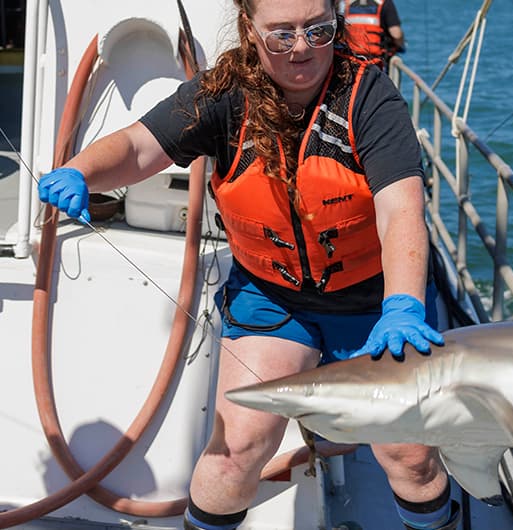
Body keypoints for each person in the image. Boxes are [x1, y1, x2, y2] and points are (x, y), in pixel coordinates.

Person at [36, 1, 459, 529]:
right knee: (236, 448)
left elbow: (401, 209)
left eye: (318, 29)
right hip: (272, 298)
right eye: (281, 34)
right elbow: (140, 145)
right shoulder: (223, 94)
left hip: (373, 301)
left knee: (409, 456)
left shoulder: (370, 98)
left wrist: (402, 305)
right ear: (250, 30)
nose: (302, 46)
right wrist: (81, 170)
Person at [338, 0, 405, 71]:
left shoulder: (344, 3)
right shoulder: (384, 3)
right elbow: (396, 34)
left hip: (349, 59)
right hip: (375, 61)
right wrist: (401, 46)